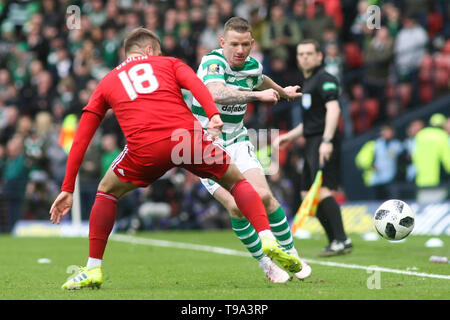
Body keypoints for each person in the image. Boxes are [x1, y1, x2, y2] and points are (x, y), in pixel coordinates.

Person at [49, 27, 303, 289]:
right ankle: (266, 236)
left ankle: (93, 268)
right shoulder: (169, 62)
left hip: (146, 150)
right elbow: (197, 85)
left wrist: (67, 188)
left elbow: (82, 137)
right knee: (238, 182)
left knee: (106, 191)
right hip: (187, 139)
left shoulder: (107, 82)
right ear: (150, 50)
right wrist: (213, 114)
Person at [190, 17, 311, 281]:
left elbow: (260, 77)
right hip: (205, 147)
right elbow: (216, 93)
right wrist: (258, 96)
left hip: (237, 140)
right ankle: (265, 263)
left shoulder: (251, 64)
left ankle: (290, 254)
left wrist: (283, 91)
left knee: (265, 197)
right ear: (222, 42)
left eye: (245, 44)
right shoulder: (213, 62)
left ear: (252, 43)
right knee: (235, 206)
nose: (240, 50)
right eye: (234, 44)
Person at [272, 39, 352, 257]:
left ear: (319, 56)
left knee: (322, 189)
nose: (305, 57)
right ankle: (335, 241)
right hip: (312, 140)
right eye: (301, 54)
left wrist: (326, 141)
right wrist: (288, 136)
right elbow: (310, 122)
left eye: (309, 53)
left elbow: (334, 110)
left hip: (323, 141)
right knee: (308, 193)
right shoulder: (308, 82)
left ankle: (342, 240)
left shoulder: (326, 79)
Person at [413, 113, 450, 187]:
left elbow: (414, 156)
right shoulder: (443, 136)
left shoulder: (420, 135)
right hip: (438, 180)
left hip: (421, 179)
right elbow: (447, 159)